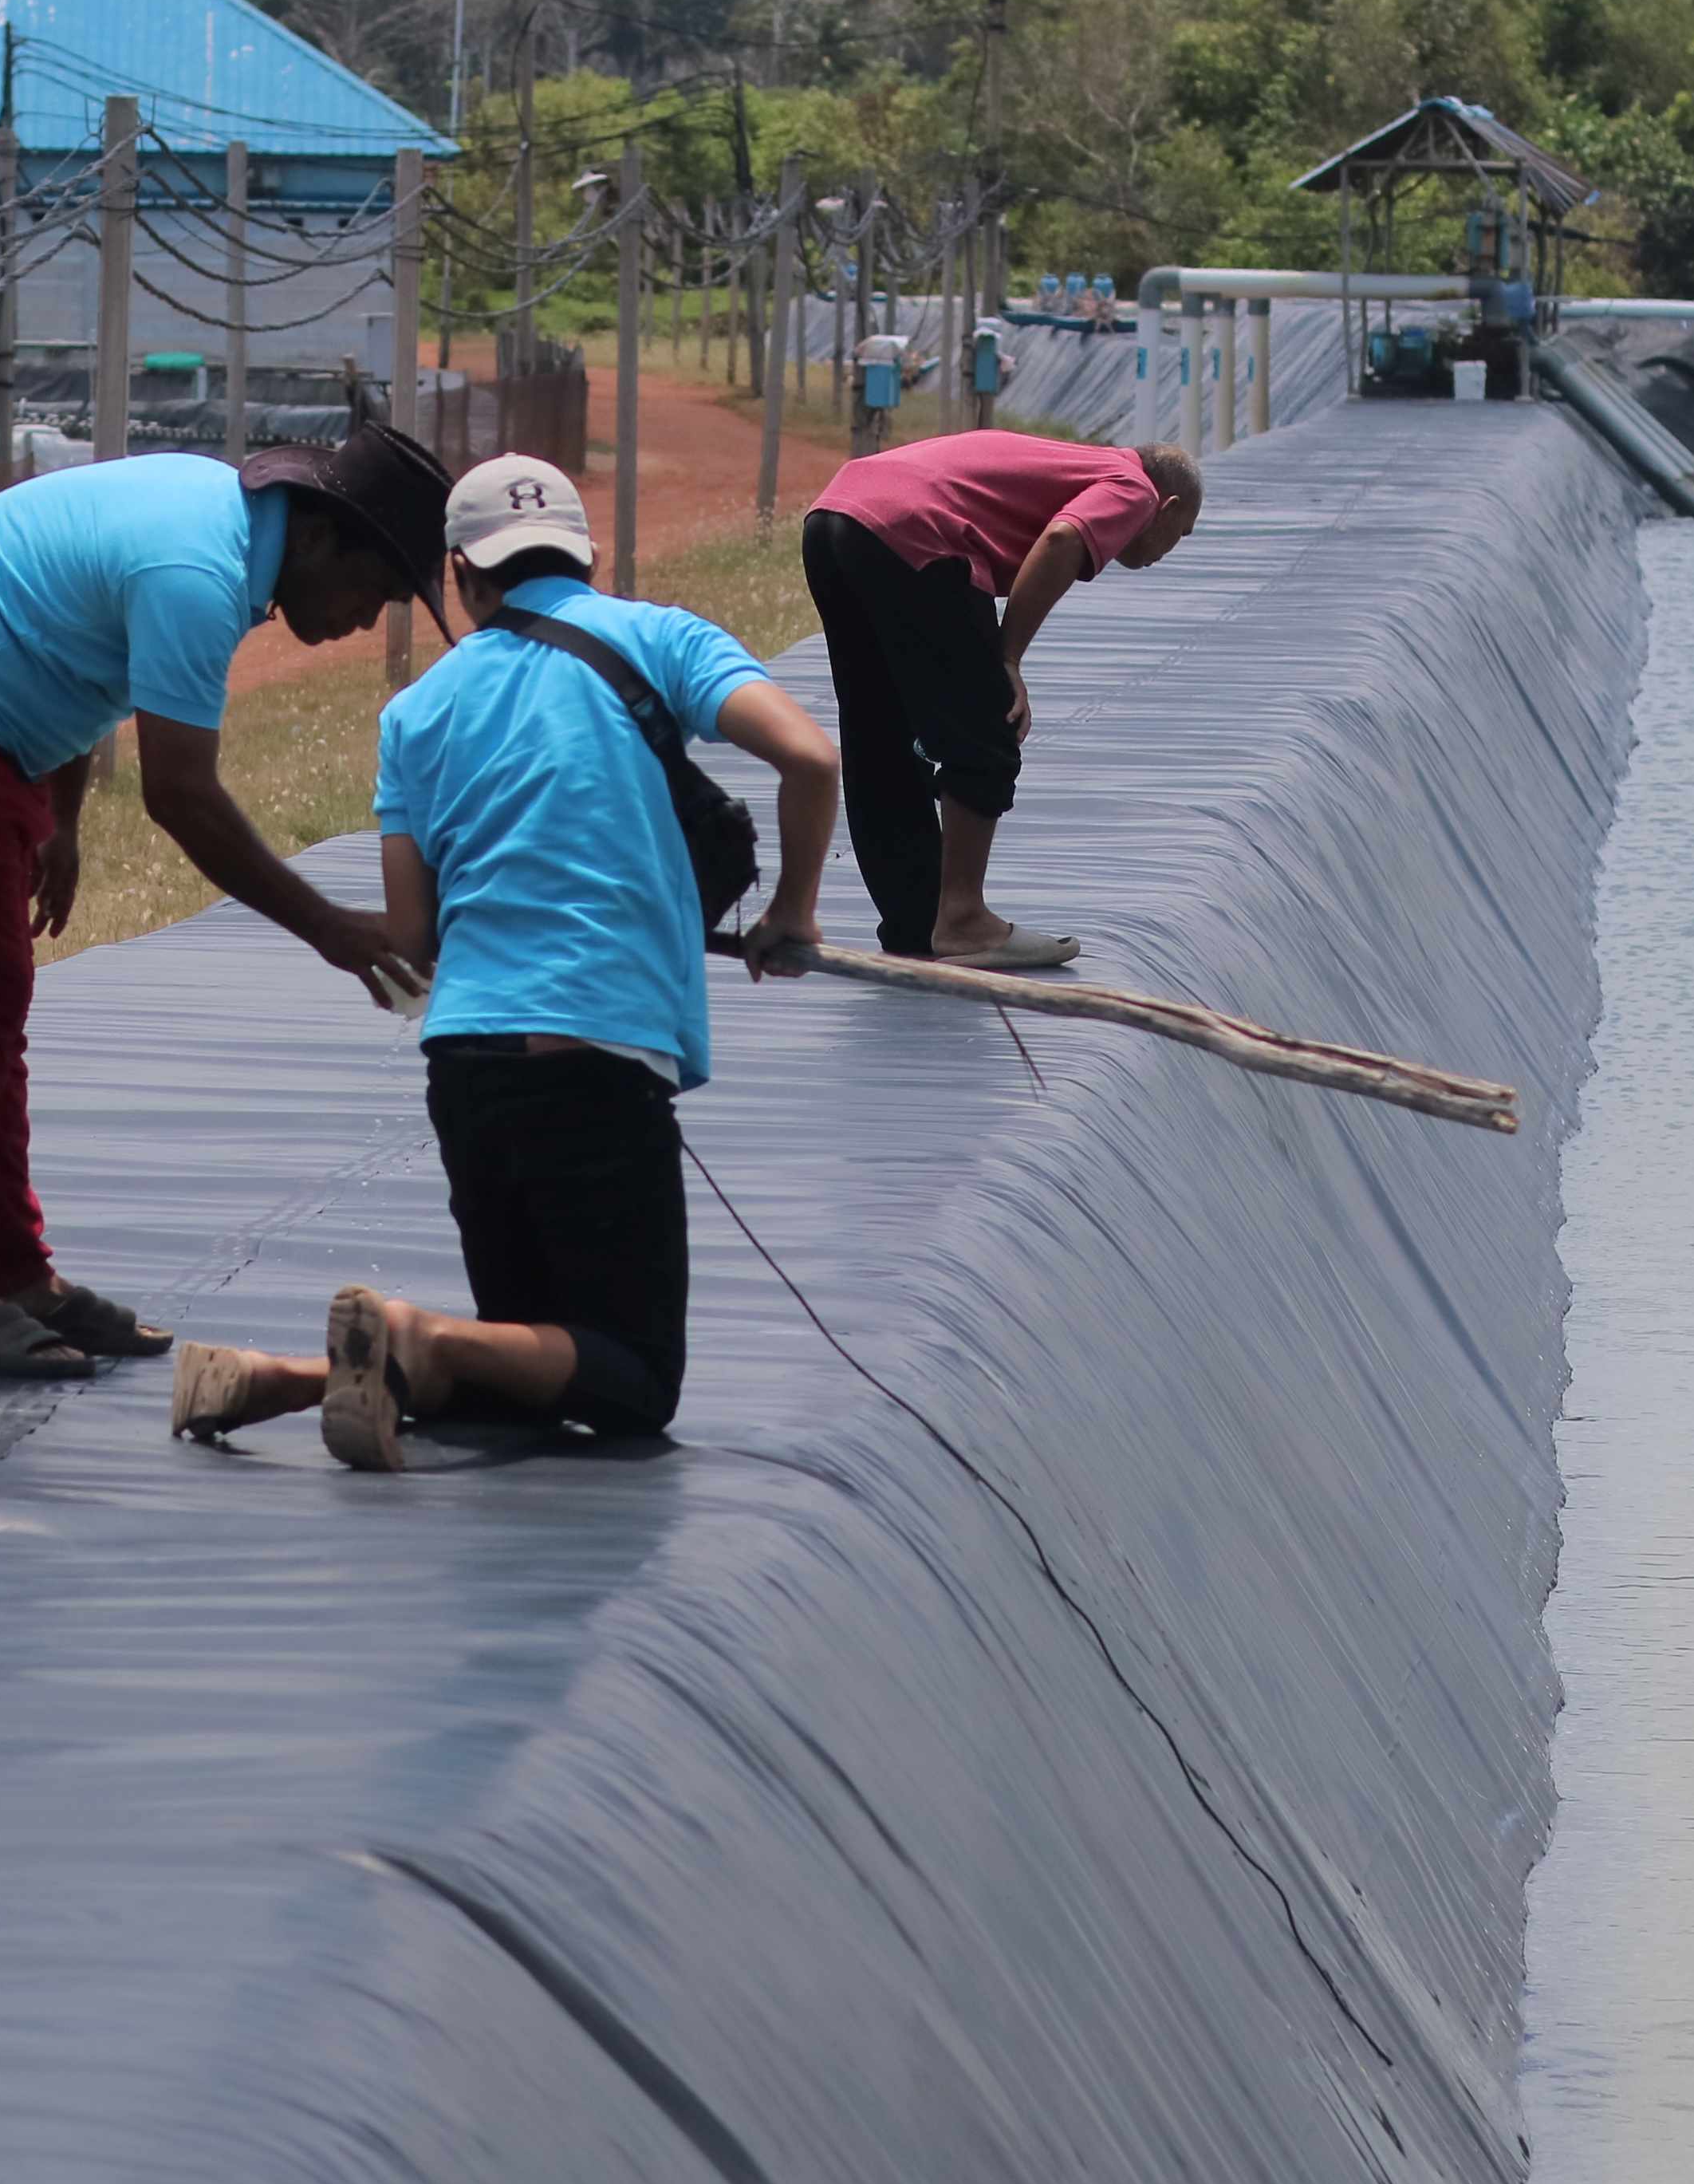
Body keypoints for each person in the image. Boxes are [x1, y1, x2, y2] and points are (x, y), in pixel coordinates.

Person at [168, 453, 840, 1471]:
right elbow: (812, 757)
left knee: (529, 1366)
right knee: (635, 1379)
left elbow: (413, 939)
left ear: (462, 576)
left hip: (469, 1061)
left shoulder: (417, 711)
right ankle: (415, 1334)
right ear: (587, 556)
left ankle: (286, 1376)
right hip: (597, 1050)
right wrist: (792, 911)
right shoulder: (663, 638)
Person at [0, 423, 448, 1380]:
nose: (366, 620)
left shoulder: (223, 531)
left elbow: (72, 637)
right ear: (318, 536)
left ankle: (12, 1273)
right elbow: (179, 793)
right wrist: (330, 929)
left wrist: (61, 816)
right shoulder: (198, 569)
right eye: (374, 590)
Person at [799, 428, 1202, 968]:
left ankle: (916, 925)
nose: (1171, 549)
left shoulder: (1076, 463)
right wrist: (1007, 660)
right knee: (988, 728)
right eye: (1182, 533)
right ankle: (963, 920)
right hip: (918, 529)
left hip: (835, 516)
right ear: (1167, 507)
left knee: (880, 735)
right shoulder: (1135, 488)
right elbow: (1062, 541)